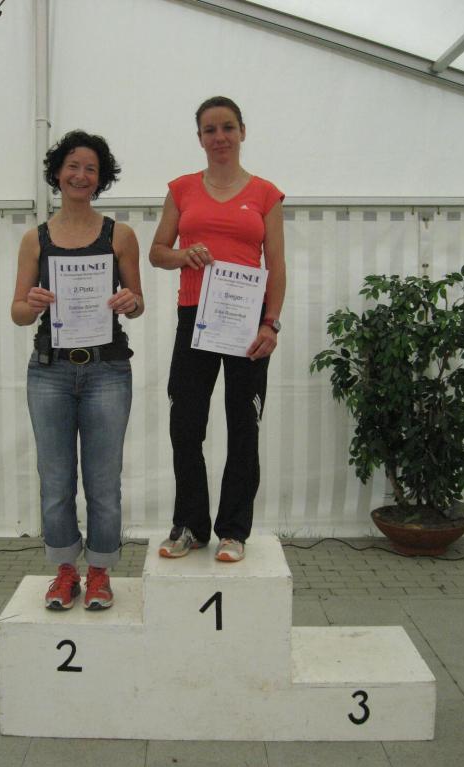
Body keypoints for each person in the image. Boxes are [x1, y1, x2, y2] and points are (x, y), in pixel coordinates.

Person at [149, 96, 285, 563]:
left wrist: (271, 323)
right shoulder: (182, 189)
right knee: (186, 424)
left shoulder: (266, 194)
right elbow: (157, 252)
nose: (220, 137)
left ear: (242, 132)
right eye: (210, 130)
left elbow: (277, 265)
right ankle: (190, 525)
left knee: (243, 425)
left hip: (248, 322)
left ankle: (233, 531)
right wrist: (182, 255)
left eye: (228, 127)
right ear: (200, 138)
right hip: (196, 318)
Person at [11, 130, 143, 610]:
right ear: (57, 173)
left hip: (108, 370)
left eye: (91, 168)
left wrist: (130, 301)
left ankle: (101, 572)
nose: (81, 175)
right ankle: (66, 571)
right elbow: (18, 312)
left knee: (104, 481)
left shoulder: (119, 235)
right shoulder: (35, 239)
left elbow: (138, 303)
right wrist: (31, 302)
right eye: (73, 166)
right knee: (56, 479)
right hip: (50, 371)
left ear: (101, 178)